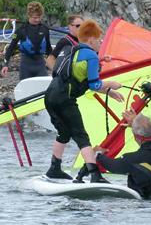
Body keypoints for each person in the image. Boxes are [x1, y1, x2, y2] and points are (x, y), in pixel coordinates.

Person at [43, 19, 124, 180]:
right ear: (91, 40)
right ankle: (95, 174)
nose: (101, 43)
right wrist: (111, 84)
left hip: (50, 96)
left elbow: (81, 76)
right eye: (99, 40)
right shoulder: (92, 56)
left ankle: (54, 168)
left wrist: (108, 91)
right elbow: (94, 85)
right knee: (81, 136)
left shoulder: (75, 50)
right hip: (65, 99)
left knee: (64, 133)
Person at [92, 110, 151, 199]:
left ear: (137, 136)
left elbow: (113, 166)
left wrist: (98, 153)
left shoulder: (135, 158)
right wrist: (136, 122)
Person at [1, 1, 52, 80]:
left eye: (39, 17)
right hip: (26, 66)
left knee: (43, 91)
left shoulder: (45, 29)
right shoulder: (21, 30)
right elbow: (11, 48)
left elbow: (49, 49)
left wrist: (54, 66)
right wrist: (5, 64)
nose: (37, 19)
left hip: (40, 65)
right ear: (29, 16)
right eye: (35, 17)